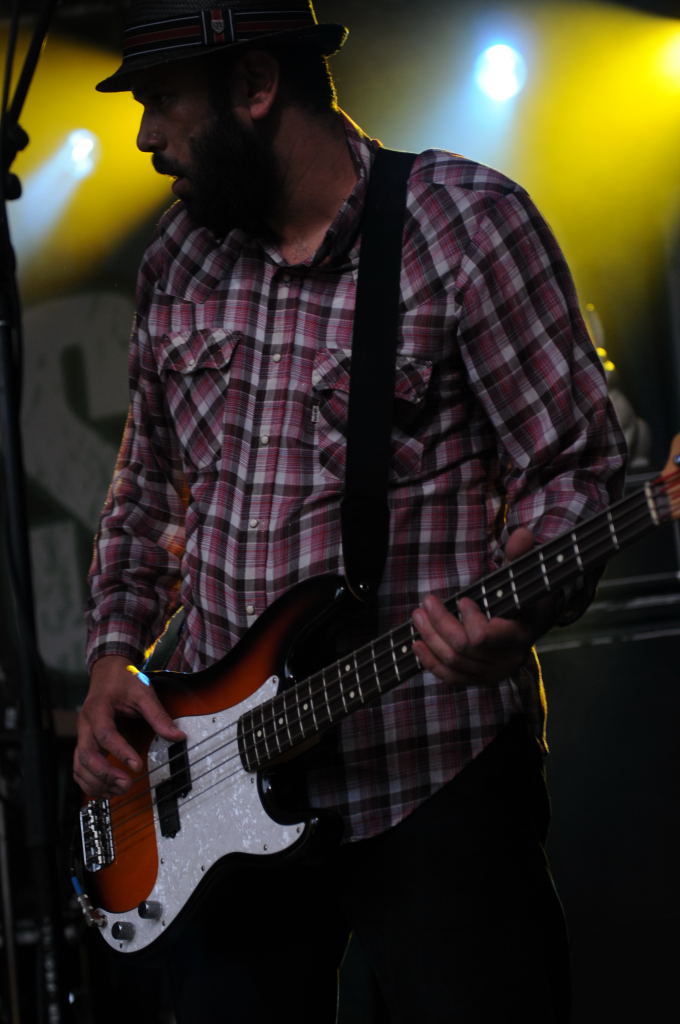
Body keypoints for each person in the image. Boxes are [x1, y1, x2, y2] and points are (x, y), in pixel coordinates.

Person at [73, 2, 627, 1021]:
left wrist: (520, 607)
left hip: (430, 770)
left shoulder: (464, 227)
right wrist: (115, 653)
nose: (145, 137)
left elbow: (572, 470)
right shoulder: (179, 256)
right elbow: (145, 482)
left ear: (254, 86)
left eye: (163, 102)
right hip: (220, 792)